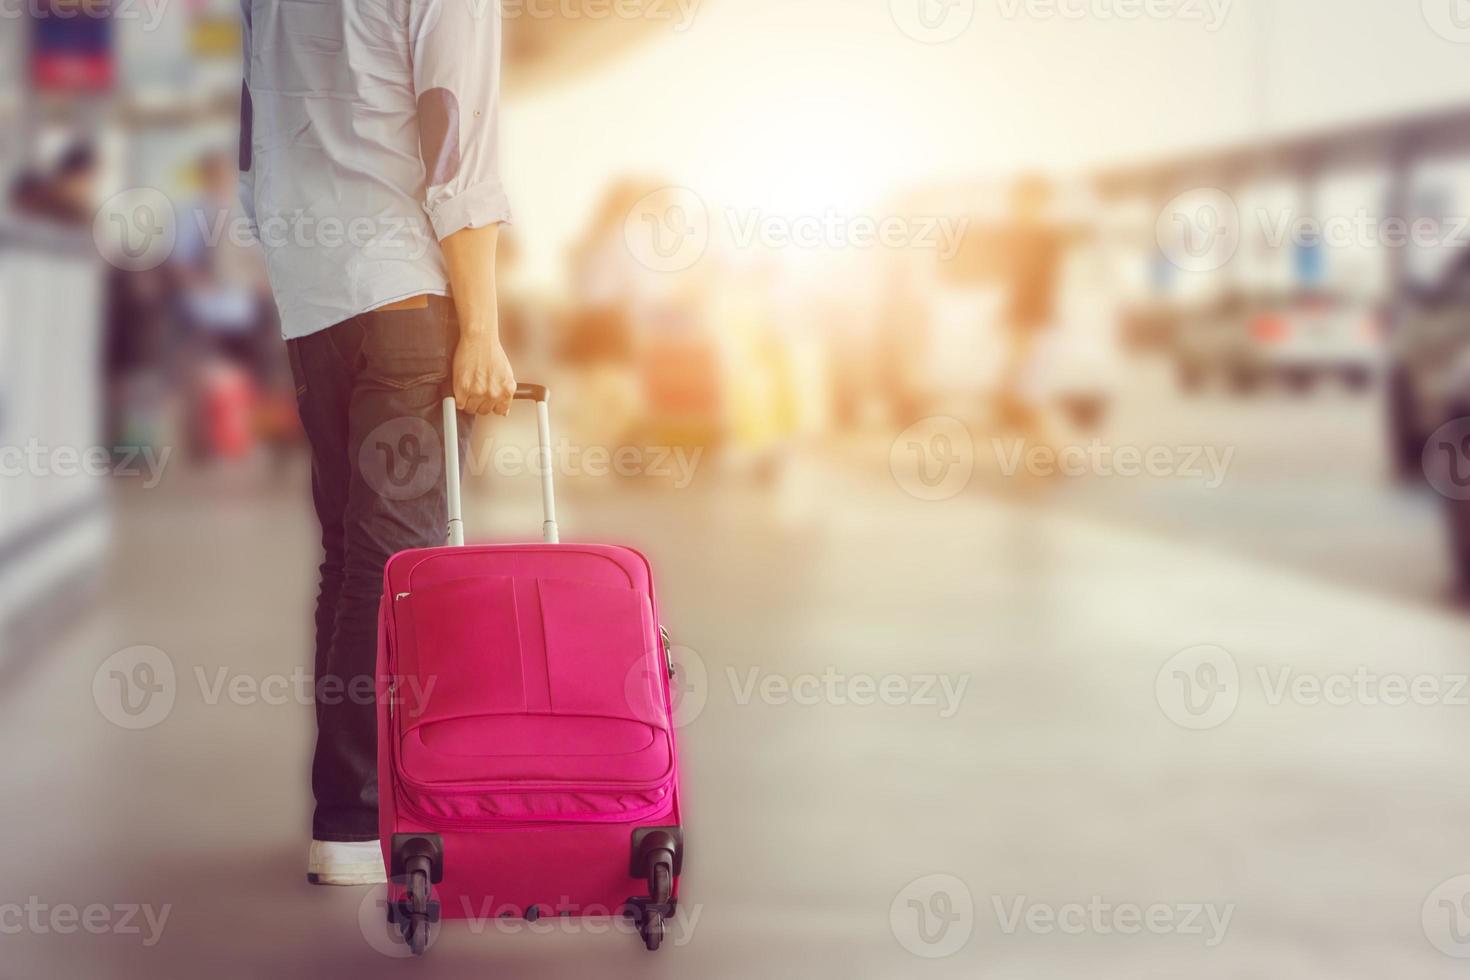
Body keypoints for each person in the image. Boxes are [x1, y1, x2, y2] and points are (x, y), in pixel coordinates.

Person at [238, 0, 516, 884]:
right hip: (402, 297)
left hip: (314, 299)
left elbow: (255, 138)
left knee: (354, 562)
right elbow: (455, 141)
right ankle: (369, 817)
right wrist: (481, 328)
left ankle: (346, 815)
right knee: (399, 565)